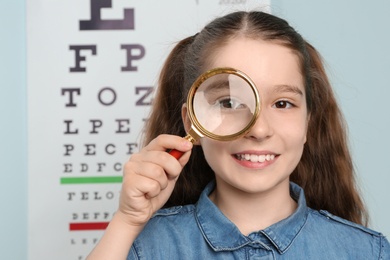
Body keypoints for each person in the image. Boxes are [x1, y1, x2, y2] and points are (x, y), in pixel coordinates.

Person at [88, 11, 390, 259]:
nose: (259, 130)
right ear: (193, 121)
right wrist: (126, 222)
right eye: (229, 103)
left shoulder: (366, 252)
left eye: (283, 103)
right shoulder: (145, 247)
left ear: (308, 122)